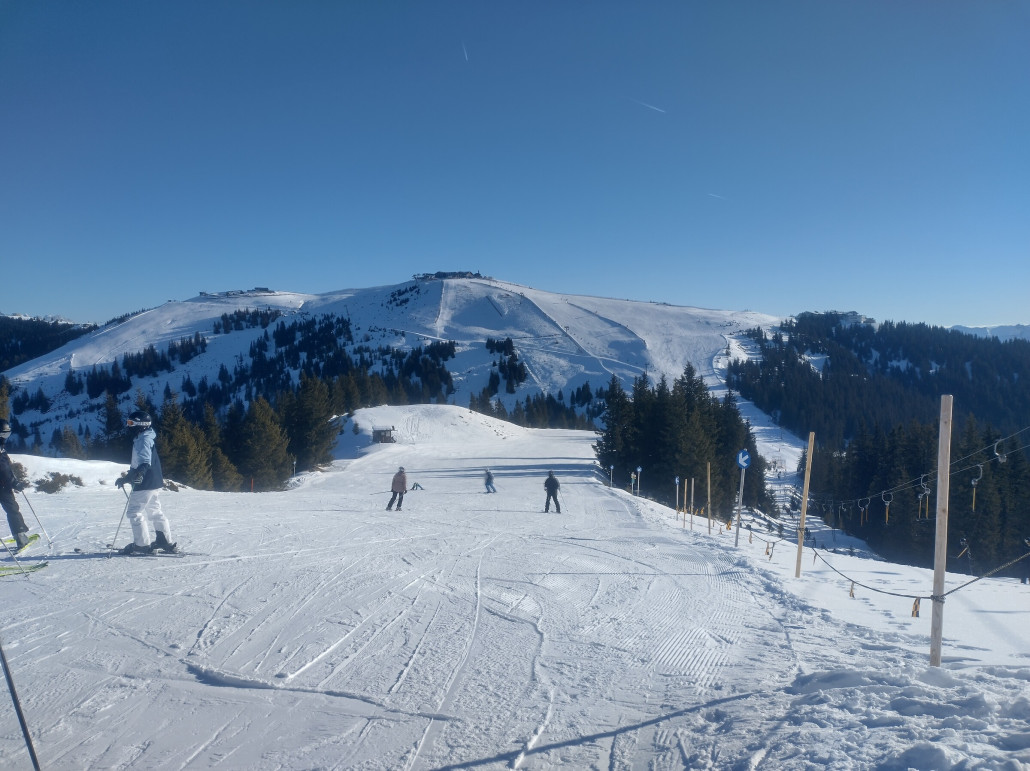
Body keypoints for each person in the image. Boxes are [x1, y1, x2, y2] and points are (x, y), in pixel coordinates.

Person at [115, 410, 176, 554]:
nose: (128, 426)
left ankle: (141, 545)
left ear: (140, 424)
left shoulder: (142, 440)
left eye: (131, 423)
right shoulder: (145, 437)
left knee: (134, 512)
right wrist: (127, 478)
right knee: (155, 511)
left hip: (145, 483)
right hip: (154, 481)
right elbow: (139, 463)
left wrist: (138, 475)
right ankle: (164, 541)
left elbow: (144, 462)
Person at [0, 419, 32, 551]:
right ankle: (21, 538)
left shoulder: (1, 447)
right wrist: (14, 483)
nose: (5, 437)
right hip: (3, 486)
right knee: (12, 509)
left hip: (3, 484)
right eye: (4, 434)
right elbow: (3, 469)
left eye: (8, 434)